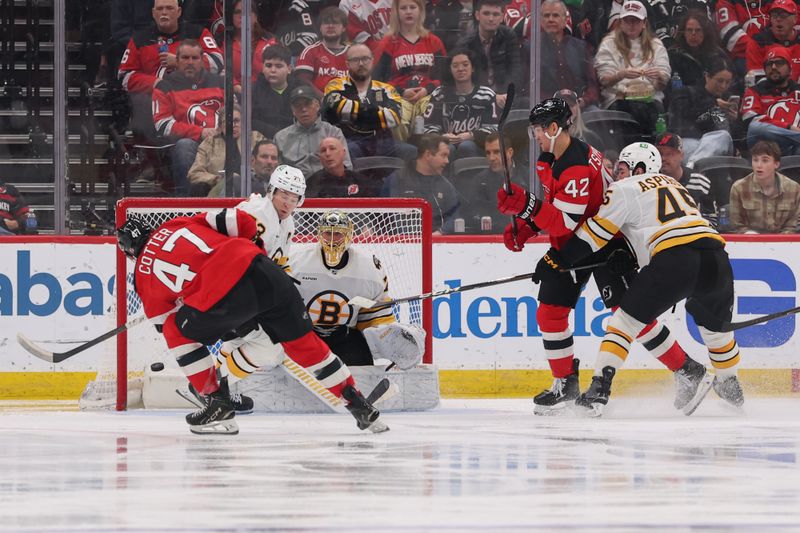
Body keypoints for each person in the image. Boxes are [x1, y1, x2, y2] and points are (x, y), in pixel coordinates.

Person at [496, 100, 709, 415]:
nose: (536, 136)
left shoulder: (578, 165)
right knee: (550, 313)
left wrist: (526, 207)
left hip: (607, 242)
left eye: (538, 130)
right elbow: (556, 206)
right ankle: (565, 384)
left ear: (554, 128)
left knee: (630, 316)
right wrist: (528, 227)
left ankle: (688, 370)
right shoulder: (549, 157)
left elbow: (566, 220)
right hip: (574, 242)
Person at [116, 207, 383, 435]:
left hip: (226, 299)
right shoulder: (178, 222)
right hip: (266, 272)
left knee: (177, 331)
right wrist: (251, 252)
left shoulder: (142, 273)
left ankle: (216, 400)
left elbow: (165, 323)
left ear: (130, 252)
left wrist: (186, 300)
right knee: (304, 345)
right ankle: (358, 403)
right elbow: (239, 220)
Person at [542, 144, 744, 414]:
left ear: (638, 169)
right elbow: (662, 224)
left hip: (675, 260)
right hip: (717, 259)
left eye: (622, 169)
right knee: (717, 333)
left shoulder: (624, 189)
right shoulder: (674, 184)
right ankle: (731, 387)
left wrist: (558, 259)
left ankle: (599, 391)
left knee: (623, 323)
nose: (616, 176)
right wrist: (633, 256)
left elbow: (593, 236)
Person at [290, 210, 426, 369]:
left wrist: (388, 336)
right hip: (304, 335)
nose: (332, 240)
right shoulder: (296, 263)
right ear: (320, 234)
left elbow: (374, 316)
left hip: (345, 336)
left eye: (338, 234)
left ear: (349, 235)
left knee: (363, 375)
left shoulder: (369, 268)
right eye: (328, 233)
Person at [118, 0, 222, 139]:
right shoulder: (139, 39)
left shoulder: (198, 32)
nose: (164, 12)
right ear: (153, 13)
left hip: (194, 97)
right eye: (160, 9)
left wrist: (180, 62)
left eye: (169, 8)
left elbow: (217, 61)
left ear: (179, 12)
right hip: (157, 103)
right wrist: (154, 83)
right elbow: (124, 75)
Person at [152, 39, 225, 196]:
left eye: (194, 58)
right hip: (191, 142)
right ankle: (187, 204)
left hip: (223, 139)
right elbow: (163, 125)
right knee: (184, 146)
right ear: (176, 61)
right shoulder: (164, 86)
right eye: (185, 58)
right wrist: (201, 132)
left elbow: (236, 112)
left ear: (202, 60)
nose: (190, 62)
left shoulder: (221, 82)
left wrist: (223, 131)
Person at [594, 0, 671, 135]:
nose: (631, 25)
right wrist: (621, 75)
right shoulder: (608, 43)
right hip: (618, 99)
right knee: (634, 112)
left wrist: (658, 77)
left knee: (653, 112)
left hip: (650, 100)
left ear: (644, 23)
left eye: (636, 21)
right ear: (620, 22)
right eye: (627, 20)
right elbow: (603, 79)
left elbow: (663, 81)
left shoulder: (656, 44)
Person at [322, 43, 406, 159]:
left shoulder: (387, 89)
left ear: (372, 60)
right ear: (347, 64)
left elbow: (395, 117)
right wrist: (378, 112)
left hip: (382, 142)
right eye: (355, 60)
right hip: (348, 141)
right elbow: (337, 106)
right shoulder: (335, 85)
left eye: (365, 59)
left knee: (411, 151)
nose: (361, 64)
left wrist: (353, 114)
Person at [422, 49, 498, 159]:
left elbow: (494, 128)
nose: (460, 69)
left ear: (473, 68)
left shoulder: (486, 94)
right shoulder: (439, 94)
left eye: (465, 65)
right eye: (455, 66)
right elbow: (428, 126)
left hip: (476, 144)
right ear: (450, 70)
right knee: (447, 148)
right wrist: (441, 137)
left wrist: (471, 135)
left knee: (466, 146)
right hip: (446, 143)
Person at [381, 134, 460, 234]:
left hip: (437, 244)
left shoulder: (446, 185)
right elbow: (380, 215)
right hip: (401, 244)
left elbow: (456, 215)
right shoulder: (397, 179)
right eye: (443, 155)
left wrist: (441, 232)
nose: (447, 161)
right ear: (428, 155)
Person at [667, 56, 737, 167]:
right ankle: (695, 167)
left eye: (728, 82)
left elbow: (732, 139)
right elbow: (682, 120)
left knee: (722, 136)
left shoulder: (728, 100)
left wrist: (733, 120)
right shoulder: (686, 93)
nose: (723, 86)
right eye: (720, 81)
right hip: (689, 142)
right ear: (707, 77)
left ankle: (691, 169)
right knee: (705, 144)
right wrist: (713, 104)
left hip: (717, 147)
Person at [373, 0, 447, 104]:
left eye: (412, 7)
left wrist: (427, 90)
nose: (408, 12)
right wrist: (400, 92)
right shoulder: (387, 43)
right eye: (403, 8)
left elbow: (445, 76)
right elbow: (376, 81)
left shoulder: (434, 42)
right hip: (397, 100)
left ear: (420, 10)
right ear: (396, 12)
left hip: (430, 99)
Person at [187, 105, 267, 197]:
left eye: (236, 121)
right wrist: (217, 179)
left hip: (252, 189)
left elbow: (268, 163)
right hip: (218, 191)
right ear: (220, 126)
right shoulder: (210, 143)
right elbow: (194, 173)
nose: (232, 125)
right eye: (228, 122)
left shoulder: (255, 138)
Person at [274, 85, 353, 177]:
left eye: (307, 104)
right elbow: (275, 171)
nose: (303, 109)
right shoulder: (280, 138)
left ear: (317, 105)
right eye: (298, 106)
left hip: (328, 183)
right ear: (293, 111)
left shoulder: (333, 133)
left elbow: (346, 165)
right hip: (295, 186)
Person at [455, 132, 526, 233]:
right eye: (488, 153)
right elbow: (474, 214)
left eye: (497, 152)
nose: (491, 158)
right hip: (491, 236)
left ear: (509, 153)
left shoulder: (529, 177)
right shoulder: (479, 181)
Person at [455, 0, 521, 108]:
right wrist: (491, 96)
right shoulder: (466, 43)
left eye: (495, 14)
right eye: (486, 13)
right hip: (476, 98)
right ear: (477, 15)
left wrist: (506, 94)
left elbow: (515, 69)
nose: (491, 18)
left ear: (502, 17)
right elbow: (468, 77)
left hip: (505, 94)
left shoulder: (509, 35)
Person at [539, 0, 599, 111]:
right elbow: (528, 88)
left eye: (555, 15)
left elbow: (592, 86)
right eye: (546, 16)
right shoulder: (532, 48)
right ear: (541, 20)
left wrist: (582, 102)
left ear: (565, 20)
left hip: (580, 107)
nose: (550, 19)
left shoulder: (582, 47)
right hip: (546, 107)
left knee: (595, 113)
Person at [729, 140, 800, 233]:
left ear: (776, 164)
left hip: (785, 243)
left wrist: (779, 242)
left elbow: (794, 225)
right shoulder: (738, 188)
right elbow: (736, 225)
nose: (759, 165)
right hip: (750, 243)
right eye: (755, 160)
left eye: (765, 160)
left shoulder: (794, 188)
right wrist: (750, 235)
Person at [743, 47, 800, 154]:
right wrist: (789, 128)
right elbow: (749, 120)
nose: (773, 67)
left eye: (779, 63)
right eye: (769, 64)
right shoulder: (755, 91)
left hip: (795, 148)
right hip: (765, 145)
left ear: (790, 67)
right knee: (755, 127)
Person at [655, 132, 718, 227]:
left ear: (681, 155)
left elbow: (712, 221)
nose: (663, 158)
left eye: (669, 154)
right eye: (659, 154)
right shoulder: (651, 183)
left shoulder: (700, 183)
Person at [667, 11, 729, 90]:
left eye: (698, 30)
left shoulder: (717, 54)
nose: (693, 34)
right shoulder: (674, 55)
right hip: (686, 99)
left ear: (705, 32)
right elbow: (674, 89)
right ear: (683, 32)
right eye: (689, 30)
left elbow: (729, 84)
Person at [294, 7, 350, 92]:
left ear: (343, 28)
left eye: (335, 23)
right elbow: (303, 81)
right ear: (320, 28)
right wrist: (324, 99)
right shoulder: (310, 51)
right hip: (318, 102)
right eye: (326, 23)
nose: (330, 26)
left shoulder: (353, 53)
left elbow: (362, 81)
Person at [252, 44, 300, 139]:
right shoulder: (253, 91)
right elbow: (251, 121)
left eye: (278, 66)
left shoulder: (299, 89)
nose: (273, 70)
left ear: (289, 69)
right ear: (262, 67)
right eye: (268, 65)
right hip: (262, 140)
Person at [745, 0, 800, 83]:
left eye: (783, 16)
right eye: (774, 15)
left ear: (795, 19)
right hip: (769, 93)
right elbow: (757, 79)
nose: (778, 19)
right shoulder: (758, 42)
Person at [305, 137, 380, 197]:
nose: (328, 154)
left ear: (343, 153)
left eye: (332, 148)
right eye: (323, 150)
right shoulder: (313, 183)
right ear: (320, 158)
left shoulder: (360, 181)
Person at [207, 139, 282, 198]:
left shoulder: (284, 187)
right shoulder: (236, 183)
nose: (269, 161)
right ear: (252, 160)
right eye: (264, 157)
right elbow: (222, 213)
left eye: (274, 158)